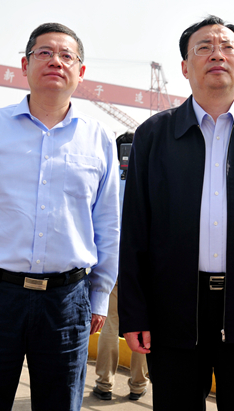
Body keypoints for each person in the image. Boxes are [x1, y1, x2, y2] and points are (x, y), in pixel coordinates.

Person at [118, 15, 234, 411]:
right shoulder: (153, 135)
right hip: (173, 311)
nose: (217, 54)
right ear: (185, 67)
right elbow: (135, 229)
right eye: (204, 47)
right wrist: (135, 314)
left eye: (227, 47)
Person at [0, 23, 120, 411]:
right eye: (44, 53)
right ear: (25, 65)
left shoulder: (99, 138)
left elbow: (108, 223)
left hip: (67, 301)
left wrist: (100, 295)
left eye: (66, 55)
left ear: (81, 71)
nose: (56, 61)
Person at [92, 131, 149, 401]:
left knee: (110, 323)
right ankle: (138, 385)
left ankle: (104, 383)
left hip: (111, 262)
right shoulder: (149, 177)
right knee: (143, 323)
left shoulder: (108, 178)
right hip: (143, 265)